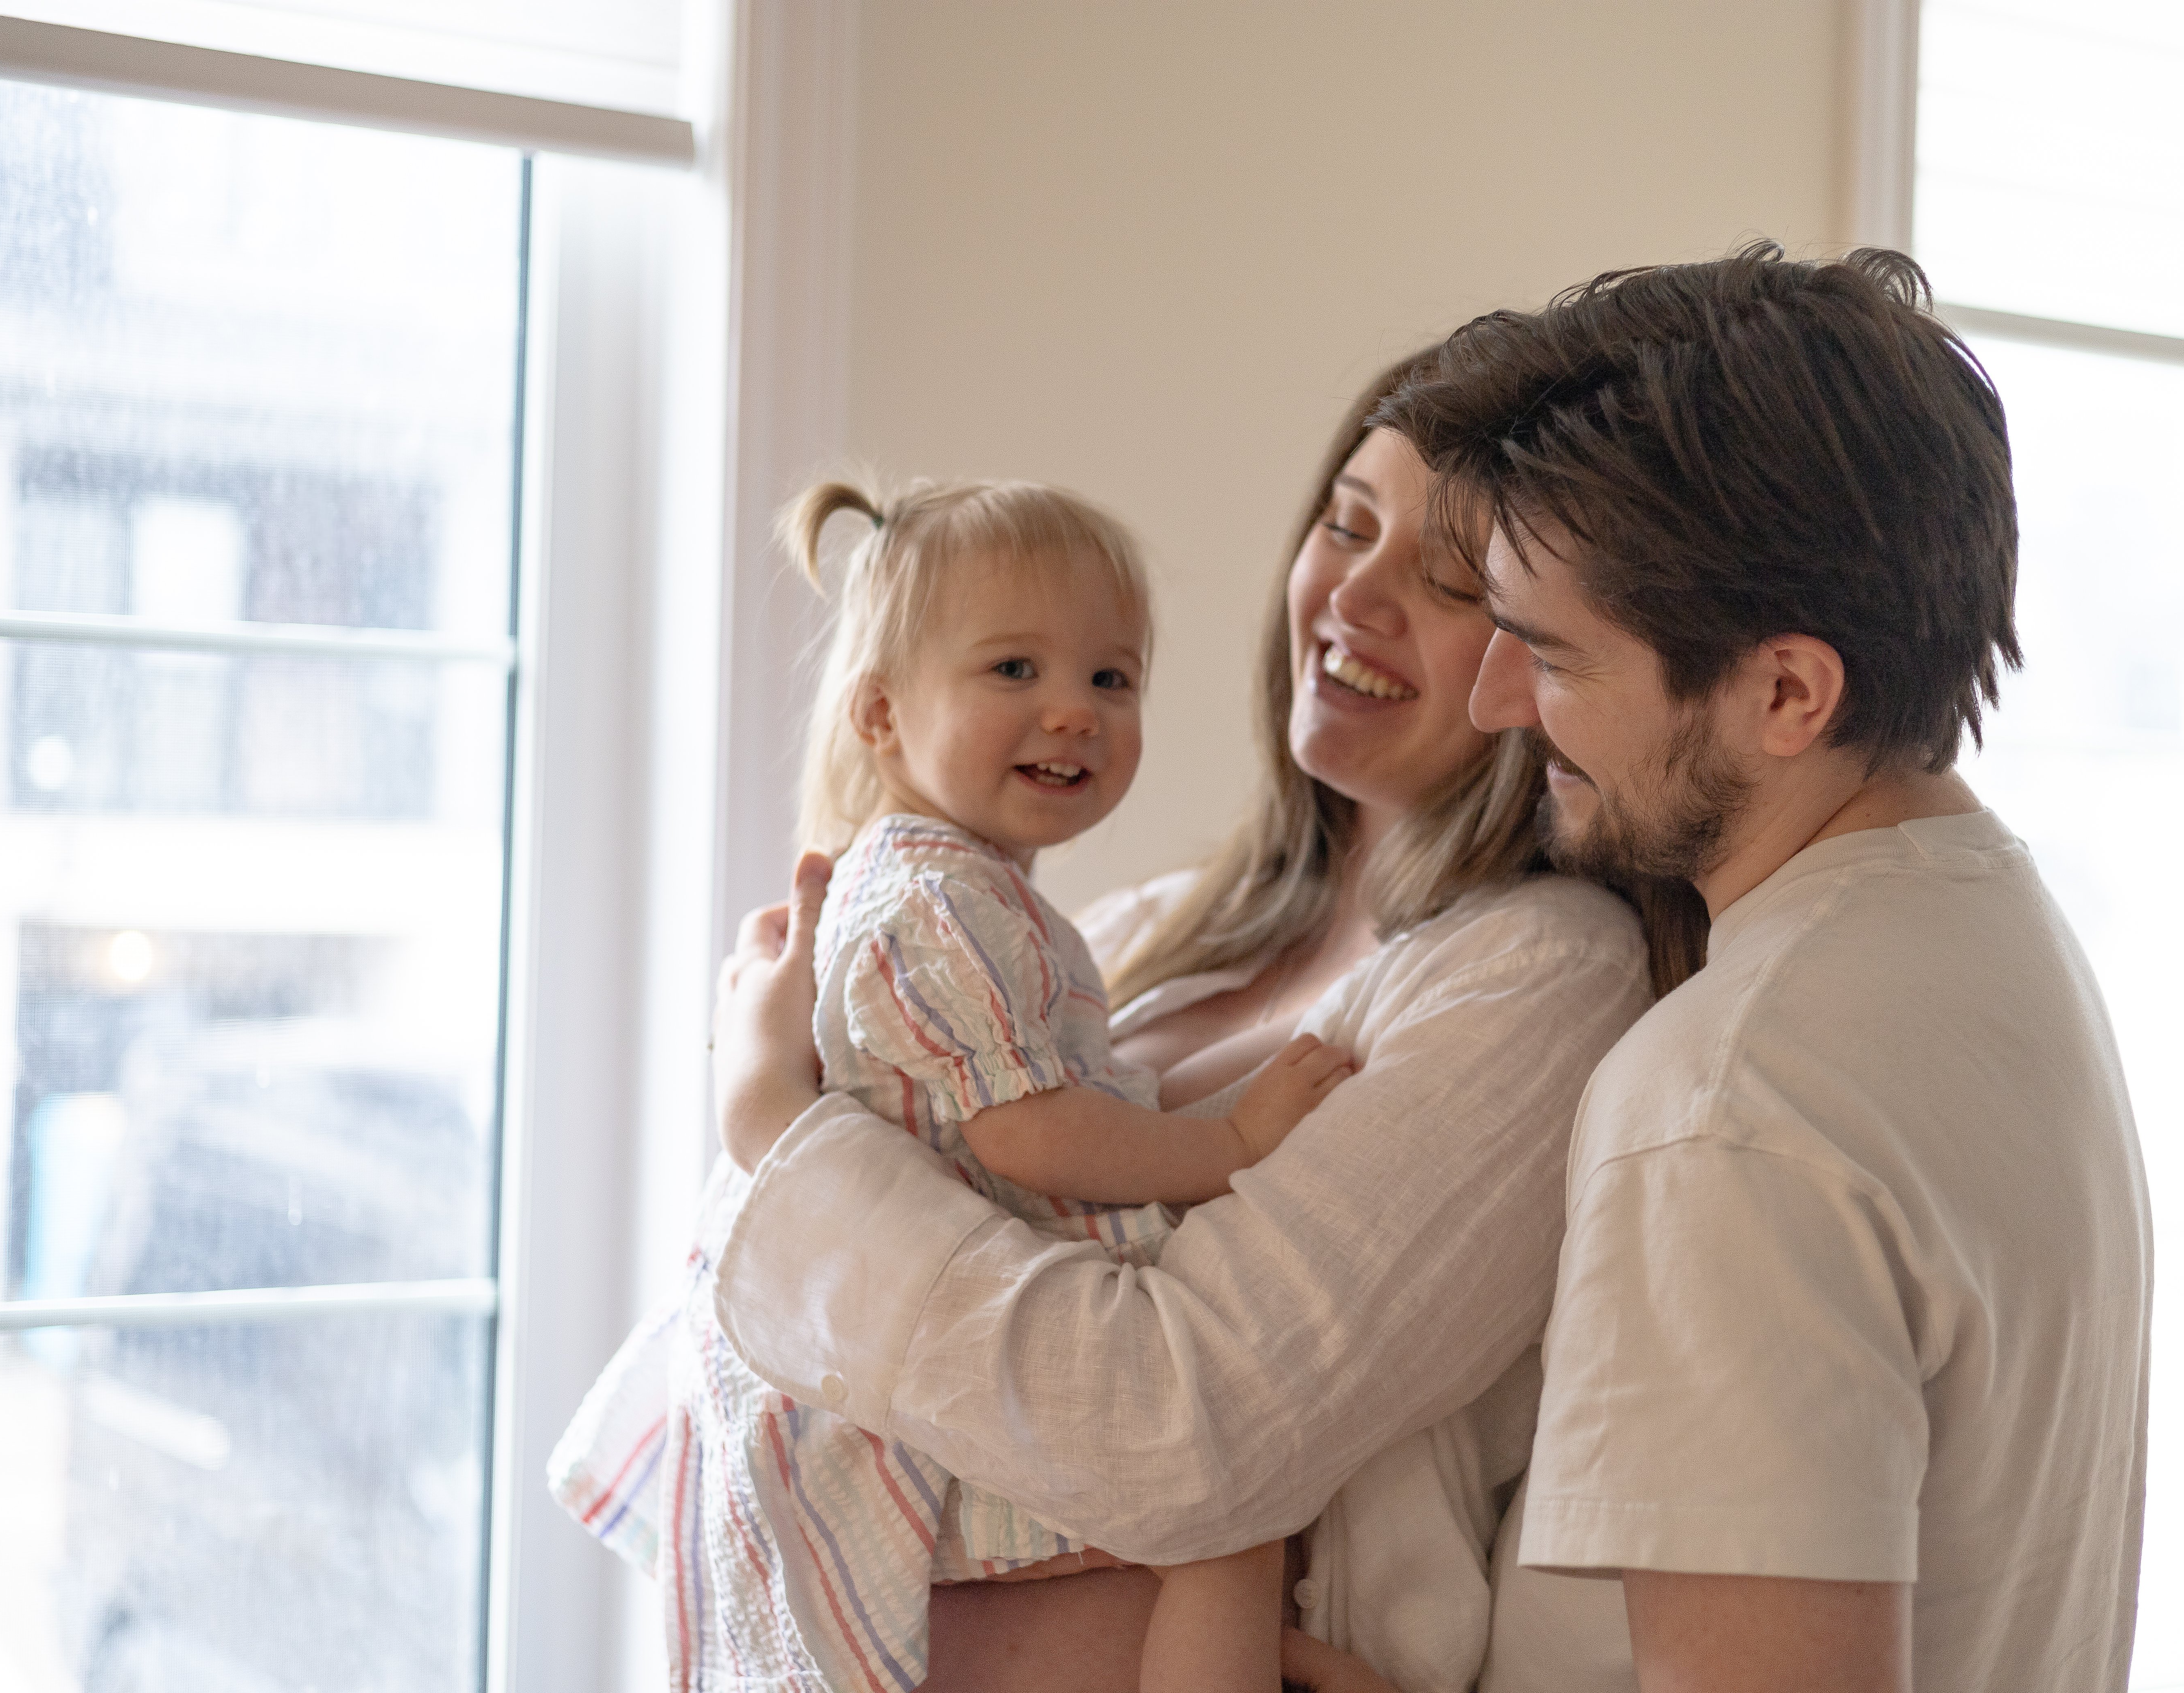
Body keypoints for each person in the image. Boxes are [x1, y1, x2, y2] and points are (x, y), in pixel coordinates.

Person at [703, 351, 1706, 1691]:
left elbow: (1185, 1440)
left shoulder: (1536, 974)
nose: (1353, 593)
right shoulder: (1127, 933)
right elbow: (756, 1293)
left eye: (1452, 581)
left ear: (1540, 655)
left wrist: (773, 1125)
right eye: (1347, 523)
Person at [1356, 242, 2151, 1692]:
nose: (1491, 699)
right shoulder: (2001, 936)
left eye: (1550, 652)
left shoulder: (1726, 1100)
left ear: (1786, 692)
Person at [550, 476, 1358, 1692]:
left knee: (1199, 1536)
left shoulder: (970, 890)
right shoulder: (939, 901)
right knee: (1227, 1510)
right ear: (882, 714)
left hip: (906, 1341)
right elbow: (1033, 1135)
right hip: (906, 1393)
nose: (1074, 714)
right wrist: (1232, 1140)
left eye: (1111, 678)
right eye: (1014, 672)